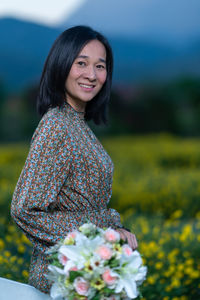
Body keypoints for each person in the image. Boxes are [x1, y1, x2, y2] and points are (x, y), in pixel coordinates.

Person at [11, 25, 138, 294]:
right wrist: (102, 231)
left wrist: (111, 231)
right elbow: (25, 210)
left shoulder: (76, 124)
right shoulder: (57, 125)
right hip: (64, 279)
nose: (91, 75)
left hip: (87, 274)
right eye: (81, 63)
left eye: (100, 66)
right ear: (61, 64)